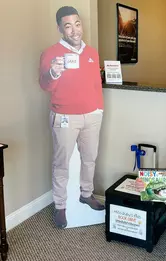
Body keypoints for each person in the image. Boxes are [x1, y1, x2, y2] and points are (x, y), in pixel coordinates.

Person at [39, 6, 105, 229]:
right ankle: (60, 206)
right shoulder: (50, 53)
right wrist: (54, 72)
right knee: (61, 163)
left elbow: (96, 84)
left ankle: (86, 194)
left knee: (90, 158)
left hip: (92, 116)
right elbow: (45, 85)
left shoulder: (92, 53)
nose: (75, 30)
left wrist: (99, 109)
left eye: (77, 24)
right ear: (60, 28)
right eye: (68, 25)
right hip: (64, 116)